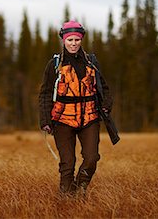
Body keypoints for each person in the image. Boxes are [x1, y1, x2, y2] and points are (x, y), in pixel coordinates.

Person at [39, 19, 113, 196]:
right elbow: (45, 94)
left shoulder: (91, 63)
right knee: (68, 163)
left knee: (92, 158)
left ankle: (80, 189)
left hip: (90, 119)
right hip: (62, 121)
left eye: (77, 40)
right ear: (63, 40)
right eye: (70, 40)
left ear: (81, 40)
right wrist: (45, 120)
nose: (74, 43)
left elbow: (105, 89)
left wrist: (106, 106)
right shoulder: (54, 65)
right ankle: (66, 198)